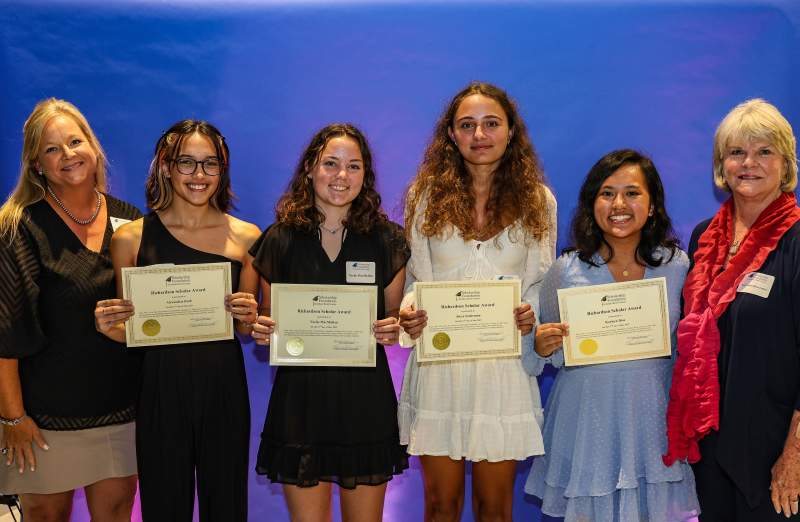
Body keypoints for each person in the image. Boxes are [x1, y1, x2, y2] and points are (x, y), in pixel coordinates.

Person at [397, 82, 556, 522]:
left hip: (502, 370)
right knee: (439, 506)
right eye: (467, 125)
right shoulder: (424, 197)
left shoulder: (539, 201)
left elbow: (540, 282)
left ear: (510, 131)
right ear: (451, 134)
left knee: (495, 509)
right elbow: (418, 279)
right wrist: (411, 310)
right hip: (441, 364)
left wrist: (531, 312)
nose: (479, 134)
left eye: (491, 123)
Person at [95, 119, 260, 521]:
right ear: (166, 166)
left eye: (211, 164)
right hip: (159, 389)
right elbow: (130, 330)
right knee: (163, 505)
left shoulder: (248, 238)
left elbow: (245, 329)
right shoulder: (129, 239)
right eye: (187, 162)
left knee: (226, 505)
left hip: (223, 389)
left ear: (223, 170)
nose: (199, 175)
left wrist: (249, 317)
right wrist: (108, 327)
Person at [523, 149, 700, 521]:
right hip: (587, 421)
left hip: (651, 422)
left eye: (632, 193)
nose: (619, 204)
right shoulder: (565, 270)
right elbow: (547, 350)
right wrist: (541, 344)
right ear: (592, 204)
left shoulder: (677, 267)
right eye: (607, 193)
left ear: (652, 206)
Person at [248, 123, 409, 521]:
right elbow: (269, 318)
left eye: (353, 167)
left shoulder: (387, 240)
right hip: (299, 403)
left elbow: (392, 316)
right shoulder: (281, 239)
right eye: (330, 164)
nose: (341, 176)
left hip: (365, 402)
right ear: (309, 169)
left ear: (365, 176)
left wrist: (394, 327)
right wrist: (262, 328)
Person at [0, 98, 141, 521]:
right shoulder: (17, 227)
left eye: (75, 141)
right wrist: (13, 418)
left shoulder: (131, 222)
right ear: (36, 164)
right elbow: (5, 335)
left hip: (121, 412)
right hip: (42, 421)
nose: (68, 155)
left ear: (94, 147)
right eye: (52, 149)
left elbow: (152, 317)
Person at [664, 99, 800, 521]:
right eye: (737, 152)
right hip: (710, 446)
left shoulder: (797, 240)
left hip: (774, 446)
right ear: (722, 165)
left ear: (786, 163)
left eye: (764, 152)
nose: (749, 163)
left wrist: (794, 455)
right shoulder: (706, 237)